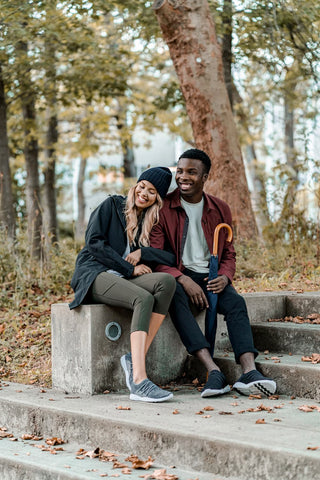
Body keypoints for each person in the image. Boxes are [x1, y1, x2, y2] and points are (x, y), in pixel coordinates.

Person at [149, 148, 277, 398]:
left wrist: (225, 276)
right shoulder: (163, 209)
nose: (183, 177)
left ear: (205, 177)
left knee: (236, 303)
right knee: (174, 299)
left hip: (212, 276)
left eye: (191, 172)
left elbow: (228, 251)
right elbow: (155, 255)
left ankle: (249, 372)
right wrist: (183, 279)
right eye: (181, 171)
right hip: (179, 275)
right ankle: (213, 371)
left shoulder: (219, 208)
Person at [69, 167, 176, 403]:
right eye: (142, 186)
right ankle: (138, 380)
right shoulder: (112, 206)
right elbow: (94, 243)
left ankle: (133, 359)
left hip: (122, 278)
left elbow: (169, 257)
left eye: (152, 192)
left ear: (157, 199)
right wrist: (129, 268)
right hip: (95, 274)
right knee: (143, 298)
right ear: (135, 186)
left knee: (166, 283)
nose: (144, 193)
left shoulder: (147, 221)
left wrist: (141, 252)